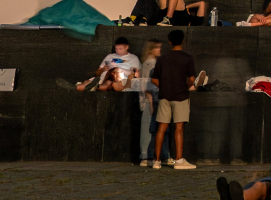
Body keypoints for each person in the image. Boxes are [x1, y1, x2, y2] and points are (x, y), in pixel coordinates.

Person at [149, 29, 199, 170]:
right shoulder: (187, 58)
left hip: (165, 96)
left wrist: (165, 86)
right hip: (181, 96)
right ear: (183, 40)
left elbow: (154, 79)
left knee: (161, 128)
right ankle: (178, 160)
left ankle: (157, 161)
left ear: (169, 41)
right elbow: (191, 79)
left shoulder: (162, 59)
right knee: (179, 127)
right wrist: (186, 86)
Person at [138, 40, 170, 167]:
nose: (159, 50)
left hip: (152, 99)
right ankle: (146, 156)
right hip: (149, 100)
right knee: (149, 128)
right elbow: (145, 85)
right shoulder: (150, 64)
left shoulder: (152, 63)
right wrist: (151, 101)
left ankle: (149, 155)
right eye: (156, 47)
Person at [76, 37, 141, 92]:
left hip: (119, 79)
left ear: (127, 47)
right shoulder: (109, 56)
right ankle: (74, 87)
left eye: (120, 49)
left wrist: (119, 70)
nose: (118, 51)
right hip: (104, 77)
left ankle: (94, 86)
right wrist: (103, 69)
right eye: (116, 49)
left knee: (109, 83)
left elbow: (134, 74)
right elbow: (97, 73)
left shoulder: (133, 58)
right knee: (87, 82)